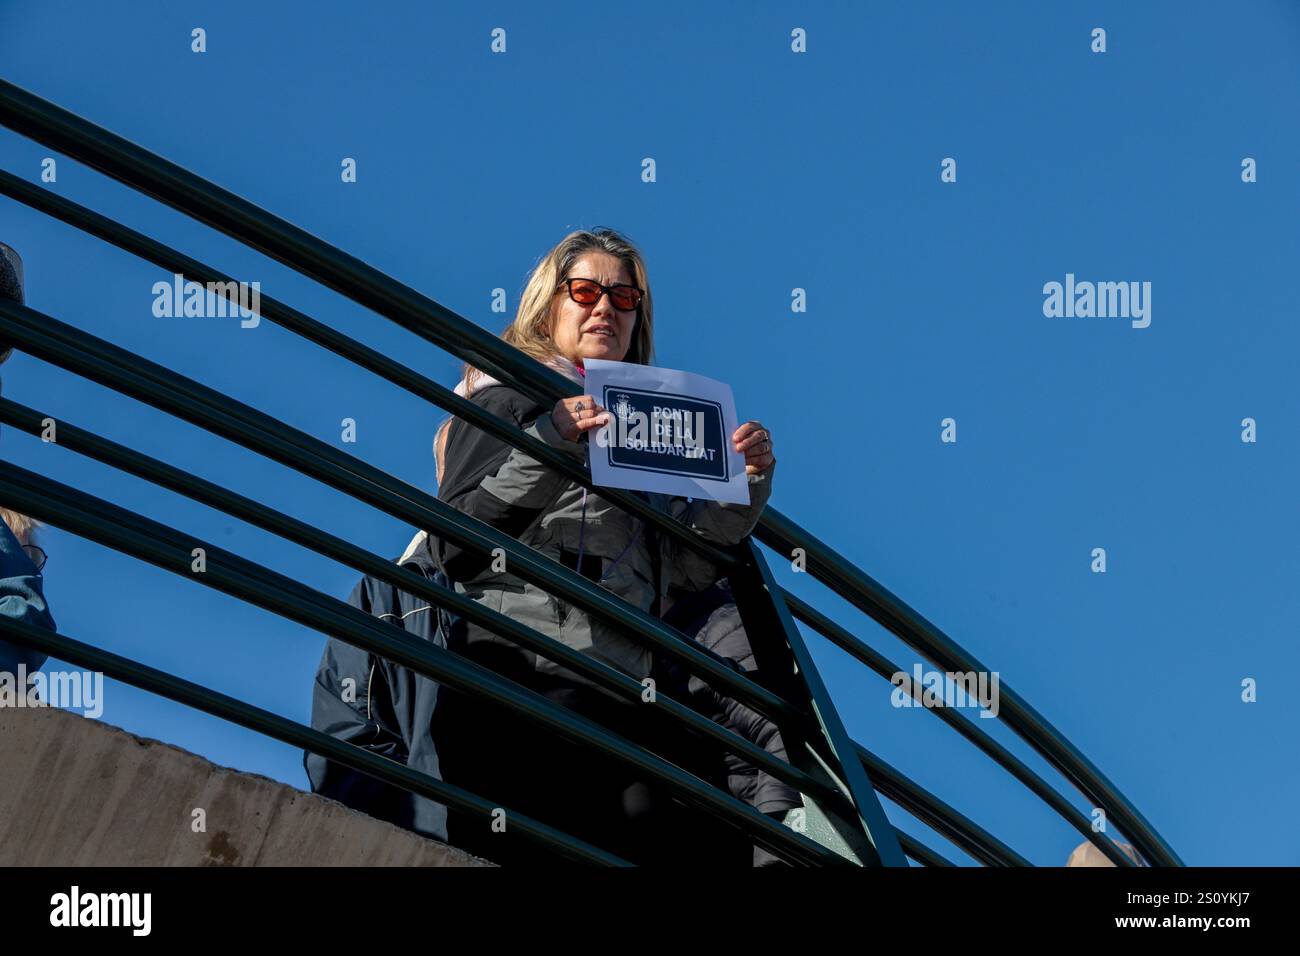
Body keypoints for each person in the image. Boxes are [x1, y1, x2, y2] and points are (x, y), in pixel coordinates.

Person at [426, 227, 778, 864]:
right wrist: (551, 440)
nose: (604, 308)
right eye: (585, 290)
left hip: (623, 690)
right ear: (549, 303)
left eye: (624, 298)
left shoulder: (647, 420)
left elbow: (680, 569)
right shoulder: (506, 392)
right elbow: (461, 542)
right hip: (519, 673)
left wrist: (741, 488)